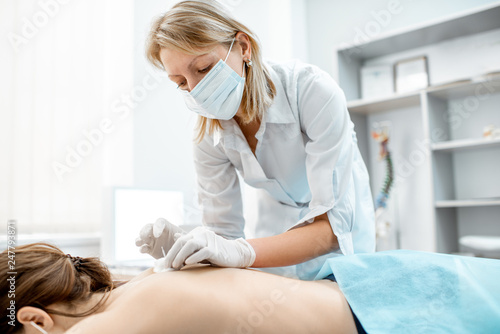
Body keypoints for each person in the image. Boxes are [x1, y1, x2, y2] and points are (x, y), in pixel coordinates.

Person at [135, 0, 375, 280]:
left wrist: (242, 252)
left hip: (343, 251)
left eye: (203, 68)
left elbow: (333, 229)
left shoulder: (311, 92)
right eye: (181, 82)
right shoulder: (208, 138)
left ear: (243, 47)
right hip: (274, 248)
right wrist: (186, 248)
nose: (196, 90)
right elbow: (222, 237)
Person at [2, 243, 499, 333]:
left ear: (35, 319)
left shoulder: (113, 325)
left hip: (395, 313)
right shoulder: (141, 287)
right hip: (388, 285)